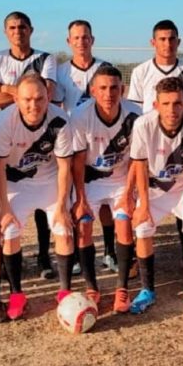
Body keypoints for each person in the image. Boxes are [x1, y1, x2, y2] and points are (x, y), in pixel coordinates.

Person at [0, 73, 75, 316]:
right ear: (16, 99)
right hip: (15, 182)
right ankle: (16, 294)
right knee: (9, 231)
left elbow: (65, 166)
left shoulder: (60, 120)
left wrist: (62, 206)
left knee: (64, 229)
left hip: (48, 179)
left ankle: (65, 291)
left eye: (39, 99)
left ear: (48, 97)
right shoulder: (4, 122)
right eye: (27, 99)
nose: (33, 105)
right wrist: (4, 208)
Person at [0, 11, 57, 278]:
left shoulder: (45, 59)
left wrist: (7, 88)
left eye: (23, 27)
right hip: (6, 132)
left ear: (31, 30)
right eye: (12, 27)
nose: (18, 31)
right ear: (6, 32)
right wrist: (25, 91)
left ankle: (44, 256)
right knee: (9, 196)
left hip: (39, 130)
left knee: (41, 197)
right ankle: (10, 256)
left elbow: (46, 95)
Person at [129, 77, 183, 315]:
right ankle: (147, 290)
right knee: (142, 228)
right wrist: (143, 204)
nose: (171, 109)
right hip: (155, 189)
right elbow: (139, 165)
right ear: (156, 105)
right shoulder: (143, 124)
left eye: (177, 103)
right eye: (165, 104)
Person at [127, 19, 183, 270]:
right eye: (162, 39)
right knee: (142, 201)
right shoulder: (141, 72)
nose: (167, 43)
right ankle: (137, 257)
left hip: (182, 142)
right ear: (153, 42)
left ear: (178, 42)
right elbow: (135, 112)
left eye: (172, 39)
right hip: (150, 143)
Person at [70, 65, 140, 313]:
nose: (108, 94)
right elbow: (78, 161)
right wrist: (80, 198)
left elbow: (136, 159)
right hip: (90, 181)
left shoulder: (135, 115)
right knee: (84, 226)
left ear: (122, 89)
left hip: (121, 179)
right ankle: (92, 288)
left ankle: (122, 289)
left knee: (124, 224)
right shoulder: (80, 115)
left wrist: (129, 193)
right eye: (102, 88)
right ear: (93, 91)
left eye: (113, 88)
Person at [55, 20, 118, 272]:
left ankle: (110, 250)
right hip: (72, 140)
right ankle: (77, 254)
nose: (81, 41)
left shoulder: (104, 68)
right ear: (69, 41)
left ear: (92, 40)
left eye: (85, 37)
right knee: (74, 198)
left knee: (105, 200)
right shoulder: (61, 71)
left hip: (100, 139)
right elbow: (57, 107)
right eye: (76, 37)